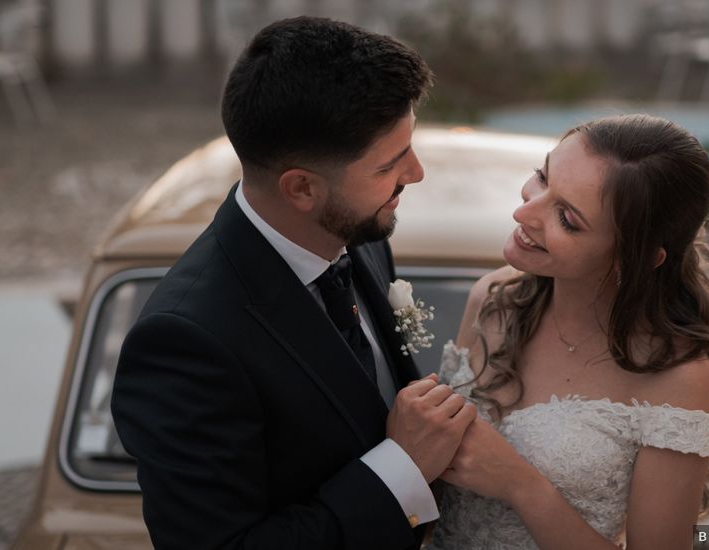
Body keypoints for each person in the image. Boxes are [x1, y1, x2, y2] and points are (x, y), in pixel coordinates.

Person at [111, 17, 476, 550]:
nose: (416, 173)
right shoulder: (184, 342)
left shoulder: (363, 237)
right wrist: (401, 469)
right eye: (390, 164)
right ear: (301, 188)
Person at [426, 114, 709, 550]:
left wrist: (522, 485)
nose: (523, 211)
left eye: (567, 218)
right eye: (542, 177)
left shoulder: (677, 376)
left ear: (633, 258)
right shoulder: (492, 299)